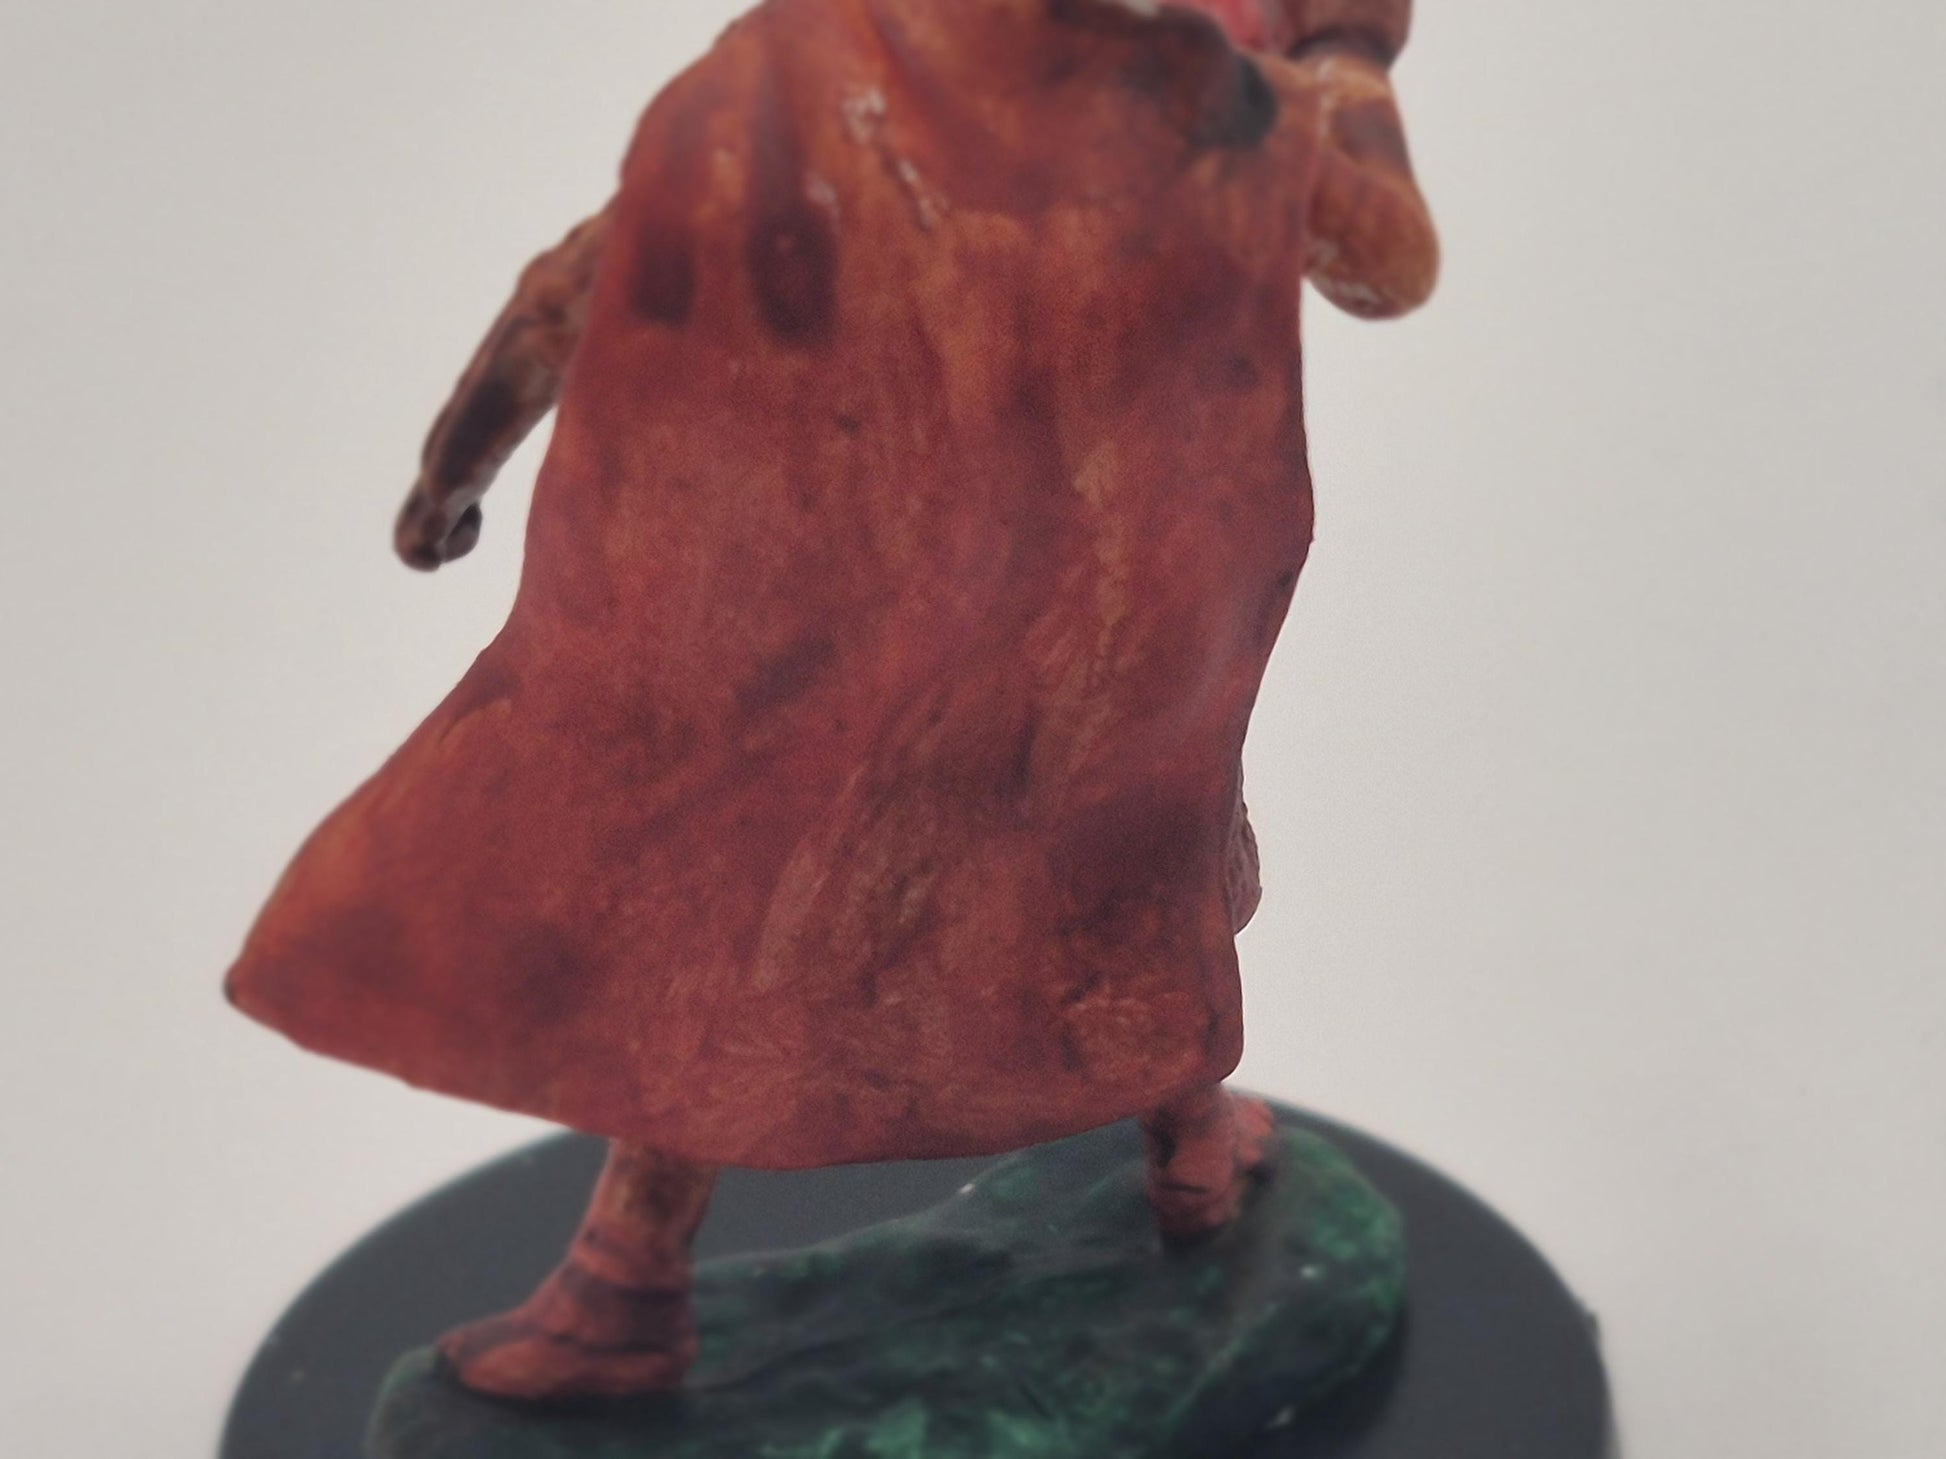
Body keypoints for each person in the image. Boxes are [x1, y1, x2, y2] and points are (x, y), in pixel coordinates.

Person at [226, 0, 1436, 1401]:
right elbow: (1383, 258)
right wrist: (1345, 61)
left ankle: (642, 1275)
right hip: (975, 609)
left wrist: (457, 465)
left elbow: (582, 276)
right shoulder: (1172, 96)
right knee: (1037, 879)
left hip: (1034, 606)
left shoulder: (835, 62)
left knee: (961, 882)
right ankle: (1176, 1152)